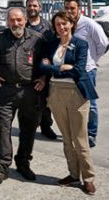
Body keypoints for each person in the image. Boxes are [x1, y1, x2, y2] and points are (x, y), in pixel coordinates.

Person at [40, 11, 98, 195]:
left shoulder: (80, 44)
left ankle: (88, 178)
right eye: (58, 24)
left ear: (71, 24)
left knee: (80, 139)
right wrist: (60, 68)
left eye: (64, 23)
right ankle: (73, 174)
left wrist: (56, 68)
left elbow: (79, 70)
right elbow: (43, 66)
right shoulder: (52, 45)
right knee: (66, 138)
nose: (62, 27)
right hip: (56, 93)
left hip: (76, 94)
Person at [0, 8, 45, 186]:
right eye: (12, 20)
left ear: (25, 20)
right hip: (6, 91)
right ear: (7, 21)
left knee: (28, 129)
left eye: (19, 20)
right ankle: (2, 165)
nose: (16, 23)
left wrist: (43, 77)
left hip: (30, 91)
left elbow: (48, 60)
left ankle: (23, 163)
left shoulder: (37, 39)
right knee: (3, 128)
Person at [64, 0, 109, 148]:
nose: (69, 11)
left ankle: (91, 134)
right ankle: (76, 131)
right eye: (67, 8)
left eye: (72, 8)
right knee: (73, 103)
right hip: (71, 71)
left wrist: (93, 59)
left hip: (87, 71)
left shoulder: (89, 24)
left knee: (90, 104)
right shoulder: (67, 25)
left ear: (79, 9)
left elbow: (103, 44)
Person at [26, 0, 58, 141]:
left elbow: (52, 51)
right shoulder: (21, 23)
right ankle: (28, 127)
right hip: (25, 69)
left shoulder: (48, 27)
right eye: (29, 5)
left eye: (35, 6)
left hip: (43, 70)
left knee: (45, 101)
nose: (32, 8)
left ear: (40, 8)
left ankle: (46, 126)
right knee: (27, 102)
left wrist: (45, 76)